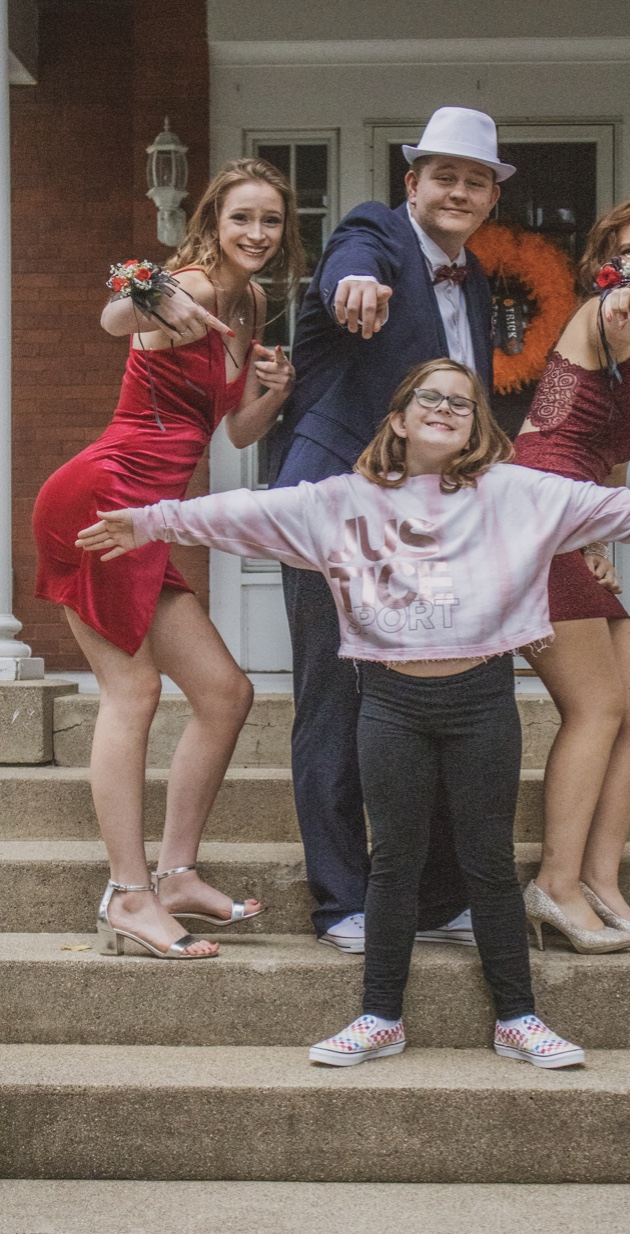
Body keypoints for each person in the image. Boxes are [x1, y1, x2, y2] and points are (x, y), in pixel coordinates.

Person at [76, 358, 630, 1065]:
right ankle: (380, 1017)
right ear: (401, 418)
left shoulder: (517, 493)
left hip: (481, 703)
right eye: (429, 398)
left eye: (461, 403)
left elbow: (623, 509)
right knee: (394, 863)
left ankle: (519, 1020)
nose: (445, 408)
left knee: (488, 863)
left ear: (476, 427)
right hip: (389, 704)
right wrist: (148, 522)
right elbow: (242, 513)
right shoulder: (339, 502)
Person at [32, 158, 305, 959]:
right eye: (241, 217)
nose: (257, 232)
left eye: (272, 220)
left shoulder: (251, 303)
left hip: (146, 523)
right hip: (100, 502)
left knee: (225, 693)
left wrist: (275, 390)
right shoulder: (186, 283)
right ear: (213, 220)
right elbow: (115, 316)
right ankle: (128, 894)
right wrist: (153, 291)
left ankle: (177, 875)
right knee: (135, 692)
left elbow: (235, 433)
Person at [268, 107, 515, 953]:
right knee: (335, 701)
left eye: (475, 180)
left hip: (424, 525)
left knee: (438, 695)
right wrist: (355, 282)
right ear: (413, 184)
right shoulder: (375, 234)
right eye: (444, 175)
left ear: (490, 199)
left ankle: (439, 897)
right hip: (335, 507)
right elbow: (353, 257)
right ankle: (342, 902)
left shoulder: (473, 283)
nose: (459, 191)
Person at [512, 198, 630, 952]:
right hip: (534, 518)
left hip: (572, 520)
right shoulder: (610, 316)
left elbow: (608, 456)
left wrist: (597, 537)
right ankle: (554, 885)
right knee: (597, 706)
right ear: (606, 265)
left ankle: (599, 877)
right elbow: (614, 327)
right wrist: (621, 312)